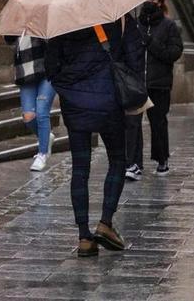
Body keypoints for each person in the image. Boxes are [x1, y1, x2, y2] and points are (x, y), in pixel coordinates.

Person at [45, 16, 144, 258]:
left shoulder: (62, 22)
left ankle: (84, 238)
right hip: (109, 101)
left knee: (80, 168)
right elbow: (135, 60)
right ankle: (105, 222)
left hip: (74, 103)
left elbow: (50, 66)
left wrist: (68, 85)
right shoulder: (119, 19)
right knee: (118, 160)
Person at [5, 0, 56, 172]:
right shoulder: (20, 8)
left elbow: (54, 40)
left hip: (46, 70)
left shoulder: (50, 9)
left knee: (42, 112)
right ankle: (46, 136)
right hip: (25, 70)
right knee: (28, 116)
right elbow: (9, 39)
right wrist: (14, 19)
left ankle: (42, 153)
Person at [136, 0, 183, 176]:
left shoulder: (169, 26)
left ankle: (162, 159)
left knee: (158, 123)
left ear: (160, 2)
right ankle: (134, 162)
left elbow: (173, 53)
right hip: (137, 82)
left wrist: (150, 43)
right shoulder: (136, 25)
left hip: (159, 83)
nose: (150, 2)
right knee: (133, 124)